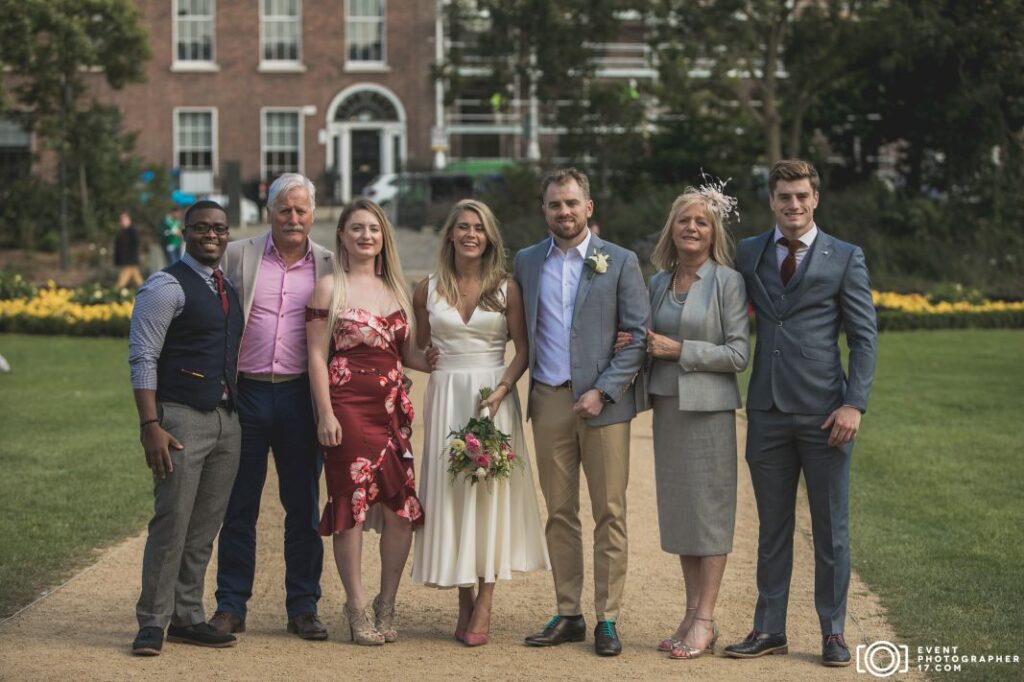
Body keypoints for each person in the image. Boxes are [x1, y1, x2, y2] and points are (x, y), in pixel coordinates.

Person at [722, 159, 877, 667]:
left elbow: (863, 337)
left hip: (826, 413)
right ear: (772, 201)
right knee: (772, 528)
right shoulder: (749, 252)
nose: (793, 204)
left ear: (816, 199)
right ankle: (769, 628)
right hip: (766, 409)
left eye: (802, 196)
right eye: (784, 196)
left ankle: (833, 632)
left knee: (831, 529)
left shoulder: (845, 257)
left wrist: (854, 403)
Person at [514, 168, 649, 657]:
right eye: (555, 204)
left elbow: (637, 336)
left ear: (588, 207)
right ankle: (568, 612)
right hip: (549, 400)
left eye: (572, 203)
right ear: (544, 210)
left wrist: (604, 391)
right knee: (559, 512)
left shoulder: (621, 260)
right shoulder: (527, 261)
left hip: (603, 406)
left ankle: (607, 617)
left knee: (609, 511)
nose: (564, 211)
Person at [410, 199, 549, 646]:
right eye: (463, 227)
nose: (471, 234)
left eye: (479, 228)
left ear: (489, 238)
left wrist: (504, 389)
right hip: (447, 398)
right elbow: (417, 347)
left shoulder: (507, 289)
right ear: (450, 234)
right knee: (452, 494)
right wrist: (427, 359)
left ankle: (486, 597)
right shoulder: (426, 289)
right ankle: (463, 596)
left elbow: (524, 350)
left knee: (491, 495)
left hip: (494, 396)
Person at [620, 182, 749, 660]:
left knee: (709, 514)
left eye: (701, 222)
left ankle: (706, 620)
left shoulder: (727, 282)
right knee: (682, 514)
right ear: (671, 229)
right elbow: (648, 340)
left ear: (713, 232)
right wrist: (631, 344)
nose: (692, 228)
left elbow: (738, 354)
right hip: (669, 409)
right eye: (684, 220)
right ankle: (691, 612)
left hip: (709, 413)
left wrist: (680, 350)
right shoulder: (658, 282)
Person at [306, 197, 432, 645]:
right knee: (352, 505)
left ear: (384, 237)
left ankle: (386, 602)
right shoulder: (328, 288)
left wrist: (448, 357)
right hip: (347, 408)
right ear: (341, 235)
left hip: (393, 412)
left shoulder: (398, 289)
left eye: (374, 228)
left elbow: (408, 354)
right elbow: (316, 356)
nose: (366, 235)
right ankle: (356, 606)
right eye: (357, 228)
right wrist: (325, 413)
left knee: (401, 509)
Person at [213, 173, 334, 640]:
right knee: (238, 504)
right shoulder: (237, 255)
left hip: (300, 395)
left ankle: (303, 606)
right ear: (269, 213)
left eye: (301, 210)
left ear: (312, 215)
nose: (293, 218)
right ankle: (230, 605)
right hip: (245, 393)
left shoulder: (329, 264)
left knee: (302, 506)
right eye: (284, 209)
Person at [127, 200, 242, 655]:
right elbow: (143, 357)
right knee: (172, 522)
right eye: (201, 228)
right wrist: (149, 424)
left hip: (226, 421)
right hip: (180, 418)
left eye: (219, 229)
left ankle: (188, 615)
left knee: (203, 527)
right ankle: (152, 621)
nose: (211, 235)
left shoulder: (226, 287)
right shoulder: (165, 286)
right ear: (185, 232)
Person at [114, 211, 144, 288]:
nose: (122, 222)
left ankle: (115, 292)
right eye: (121, 220)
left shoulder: (132, 232)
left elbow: (136, 245)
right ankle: (148, 292)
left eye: (124, 220)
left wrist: (130, 257)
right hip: (128, 262)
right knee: (138, 280)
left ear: (129, 220)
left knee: (121, 282)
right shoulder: (121, 232)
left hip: (129, 261)